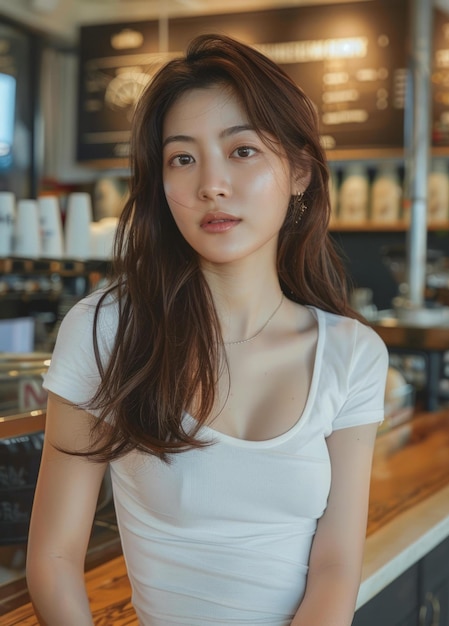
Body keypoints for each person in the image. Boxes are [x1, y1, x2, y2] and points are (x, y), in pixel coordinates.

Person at [26, 33, 388, 626]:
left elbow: (336, 565)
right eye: (183, 158)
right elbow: (54, 556)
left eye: (242, 151)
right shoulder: (106, 331)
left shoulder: (351, 354)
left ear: (299, 170)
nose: (210, 185)